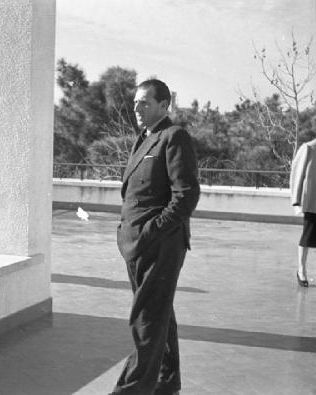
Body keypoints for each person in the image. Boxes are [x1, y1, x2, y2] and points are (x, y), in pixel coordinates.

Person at [111, 79, 200, 395]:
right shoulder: (144, 139)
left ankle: (132, 389)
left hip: (158, 245)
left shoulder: (173, 137)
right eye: (136, 102)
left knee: (146, 319)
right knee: (160, 314)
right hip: (136, 246)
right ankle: (167, 381)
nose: (137, 107)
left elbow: (186, 195)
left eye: (145, 102)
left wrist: (152, 232)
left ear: (164, 106)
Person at [290, 138, 316, 287]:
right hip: (312, 200)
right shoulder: (309, 148)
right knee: (307, 236)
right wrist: (296, 201)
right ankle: (301, 270)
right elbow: (297, 175)